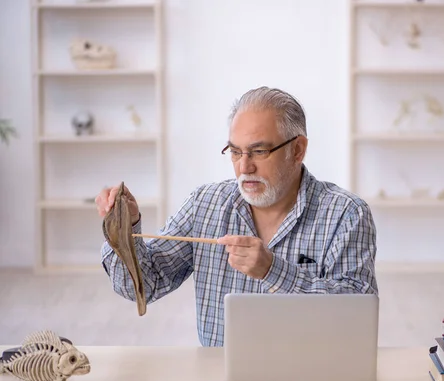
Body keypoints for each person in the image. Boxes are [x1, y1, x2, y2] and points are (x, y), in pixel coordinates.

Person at [95, 86, 378, 347]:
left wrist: (273, 270)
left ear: (297, 150)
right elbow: (147, 284)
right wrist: (123, 228)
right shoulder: (205, 204)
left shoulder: (346, 214)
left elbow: (356, 317)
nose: (244, 166)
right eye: (235, 151)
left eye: (259, 151)